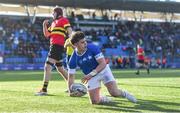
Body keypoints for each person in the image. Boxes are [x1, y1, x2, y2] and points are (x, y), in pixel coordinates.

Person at [67, 31, 137, 104]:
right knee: (94, 101)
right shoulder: (73, 59)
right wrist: (70, 90)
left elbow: (103, 63)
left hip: (103, 71)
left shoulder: (92, 47)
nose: (85, 43)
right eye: (82, 42)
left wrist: (91, 74)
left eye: (85, 41)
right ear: (75, 44)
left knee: (114, 93)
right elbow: (71, 76)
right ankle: (104, 99)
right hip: (91, 76)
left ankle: (125, 94)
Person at [36, 6, 72, 96]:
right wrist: (44, 25)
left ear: (58, 13)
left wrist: (71, 40)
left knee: (47, 66)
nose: (52, 14)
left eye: (53, 12)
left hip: (57, 46)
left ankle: (44, 89)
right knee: (60, 68)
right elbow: (47, 34)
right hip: (55, 46)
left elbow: (69, 30)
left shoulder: (63, 20)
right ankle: (72, 86)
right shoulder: (53, 23)